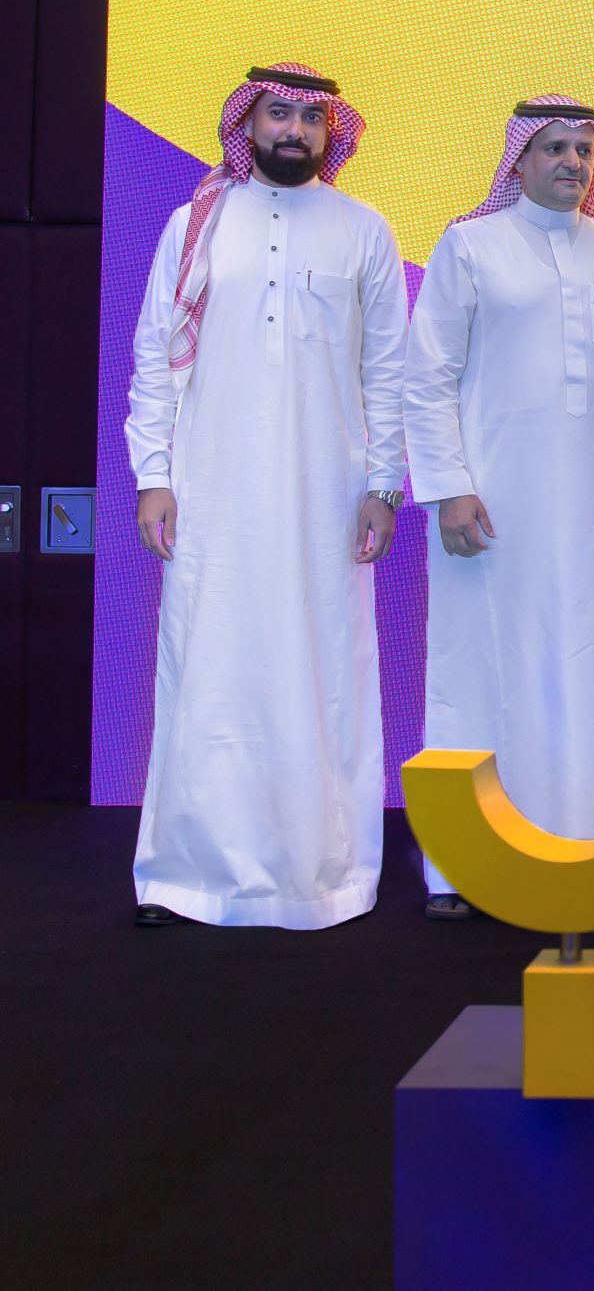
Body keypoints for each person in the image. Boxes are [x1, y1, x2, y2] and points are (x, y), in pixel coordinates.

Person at [126, 64, 405, 928]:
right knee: (208, 667)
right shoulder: (197, 224)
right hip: (213, 491)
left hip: (328, 500)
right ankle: (184, 875)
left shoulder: (364, 231)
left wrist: (384, 486)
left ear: (331, 132)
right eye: (278, 114)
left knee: (321, 674)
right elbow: (154, 356)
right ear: (248, 125)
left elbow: (388, 371)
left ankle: (326, 876)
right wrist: (153, 476)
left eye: (310, 119)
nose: (294, 131)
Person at [403, 96, 594, 918]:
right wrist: (448, 486)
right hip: (495, 508)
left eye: (583, 150)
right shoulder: (471, 246)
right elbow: (428, 375)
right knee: (483, 667)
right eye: (555, 147)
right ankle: (466, 861)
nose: (571, 162)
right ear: (521, 161)